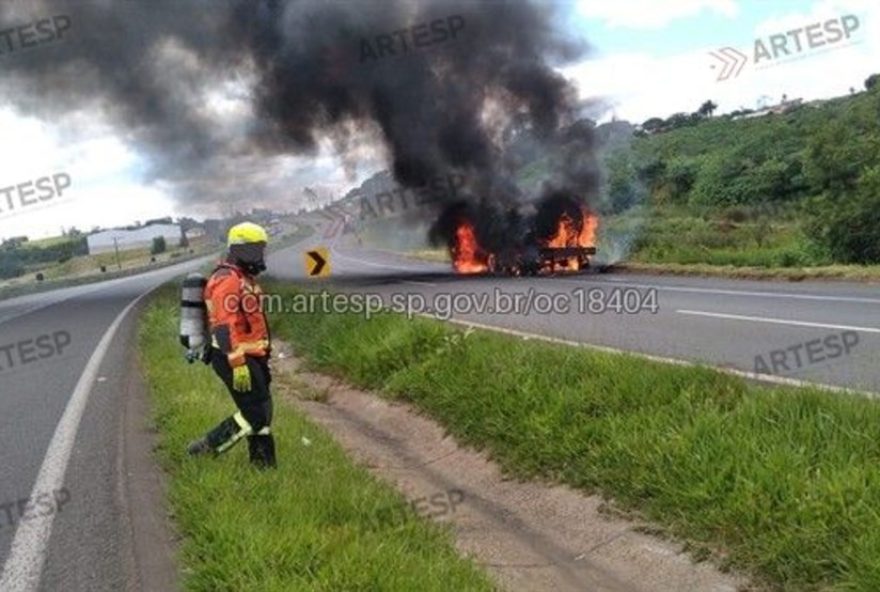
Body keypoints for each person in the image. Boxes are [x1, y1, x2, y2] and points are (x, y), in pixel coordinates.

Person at [187, 221, 276, 468]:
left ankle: (263, 469)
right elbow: (223, 326)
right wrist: (237, 362)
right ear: (241, 249)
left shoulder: (243, 278)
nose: (261, 255)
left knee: (263, 412)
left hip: (251, 356)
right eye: (257, 249)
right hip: (233, 357)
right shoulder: (227, 279)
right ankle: (205, 448)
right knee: (256, 414)